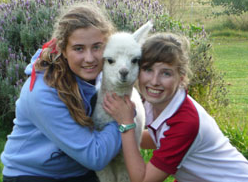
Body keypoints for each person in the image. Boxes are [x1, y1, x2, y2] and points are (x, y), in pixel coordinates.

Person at [1, 2, 122, 182]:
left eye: (97, 47)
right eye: (78, 48)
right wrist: (123, 120)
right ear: (63, 50)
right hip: (33, 175)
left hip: (78, 172)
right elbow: (95, 157)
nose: (89, 58)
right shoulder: (42, 93)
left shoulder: (104, 74)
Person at [103, 32, 248, 182]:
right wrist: (109, 140)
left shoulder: (185, 121)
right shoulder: (160, 102)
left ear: (181, 77)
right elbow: (160, 138)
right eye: (147, 69)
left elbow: (143, 179)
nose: (154, 81)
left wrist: (126, 125)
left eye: (166, 73)